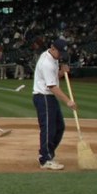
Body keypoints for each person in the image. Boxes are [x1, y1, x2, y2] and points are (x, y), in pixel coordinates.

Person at [32, 37, 76, 171]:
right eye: (60, 53)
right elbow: (52, 86)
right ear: (53, 48)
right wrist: (68, 101)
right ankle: (45, 159)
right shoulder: (47, 62)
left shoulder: (53, 58)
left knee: (59, 127)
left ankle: (46, 153)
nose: (60, 57)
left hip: (48, 97)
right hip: (43, 96)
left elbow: (54, 76)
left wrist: (62, 72)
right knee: (48, 128)